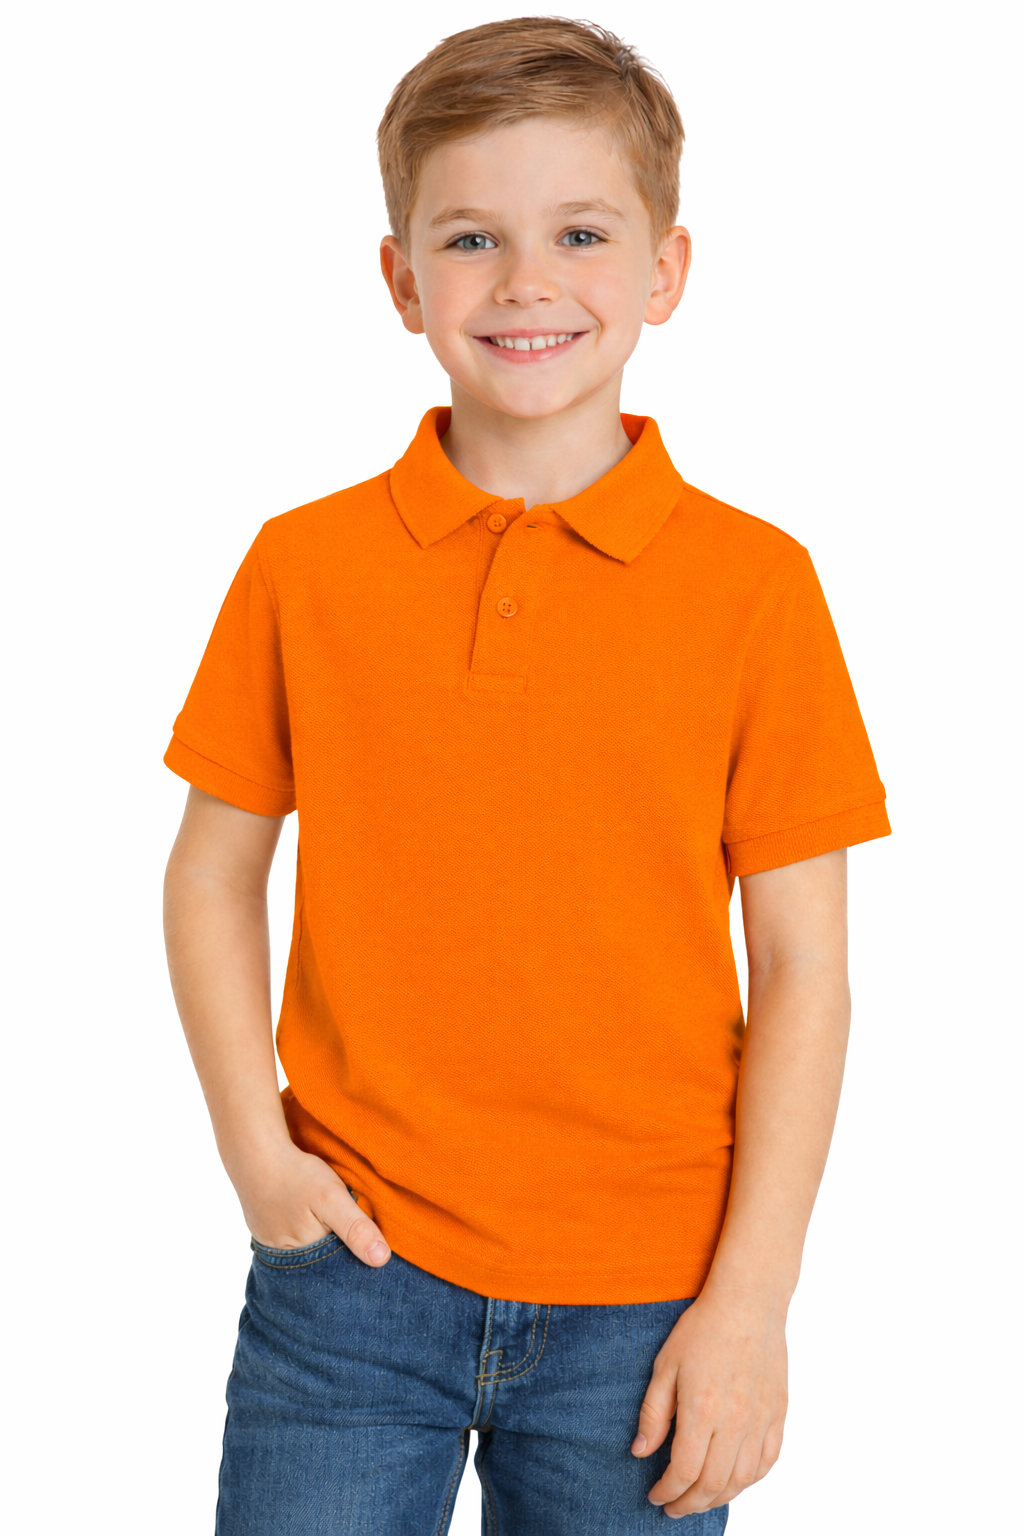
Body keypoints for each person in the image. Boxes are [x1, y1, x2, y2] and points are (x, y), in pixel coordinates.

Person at [162, 18, 890, 1534]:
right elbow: (213, 871)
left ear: (667, 270)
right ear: (401, 280)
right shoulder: (304, 566)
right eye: (472, 238)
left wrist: (753, 1301)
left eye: (581, 233)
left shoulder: (758, 589)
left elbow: (805, 967)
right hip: (351, 1276)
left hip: (652, 1300)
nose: (526, 282)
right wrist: (257, 1159)